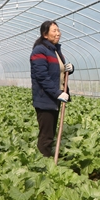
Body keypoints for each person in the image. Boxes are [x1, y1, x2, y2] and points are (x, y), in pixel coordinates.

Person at [30, 21, 74, 157]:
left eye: (58, 30)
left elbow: (56, 71)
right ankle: (42, 162)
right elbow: (42, 77)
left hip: (54, 98)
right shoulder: (39, 51)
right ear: (45, 34)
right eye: (54, 31)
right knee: (46, 135)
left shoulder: (55, 51)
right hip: (45, 99)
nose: (58, 33)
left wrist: (69, 69)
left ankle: (47, 158)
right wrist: (57, 93)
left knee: (51, 132)